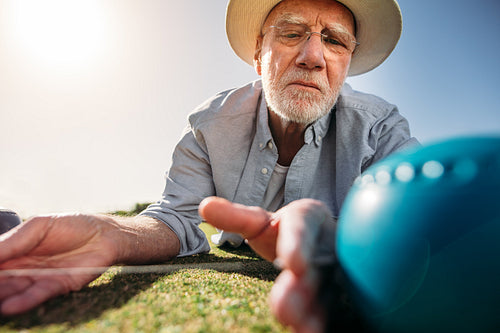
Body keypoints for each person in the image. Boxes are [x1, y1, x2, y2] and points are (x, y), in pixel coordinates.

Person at [0, 0, 416, 330]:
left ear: (346, 64)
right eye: (291, 33)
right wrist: (111, 232)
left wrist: (343, 238)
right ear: (258, 55)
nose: (312, 56)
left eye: (335, 41)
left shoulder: (381, 129)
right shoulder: (210, 124)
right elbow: (176, 217)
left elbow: (416, 224)